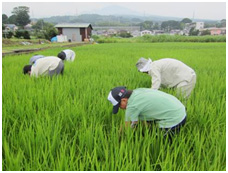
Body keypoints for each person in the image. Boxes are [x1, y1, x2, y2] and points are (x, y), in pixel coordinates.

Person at [107, 86, 187, 139]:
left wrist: (116, 139)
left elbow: (125, 128)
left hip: (175, 120)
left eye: (119, 106)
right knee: (145, 125)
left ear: (124, 100)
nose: (120, 108)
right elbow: (137, 121)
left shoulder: (132, 106)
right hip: (180, 109)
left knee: (158, 143)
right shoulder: (137, 91)